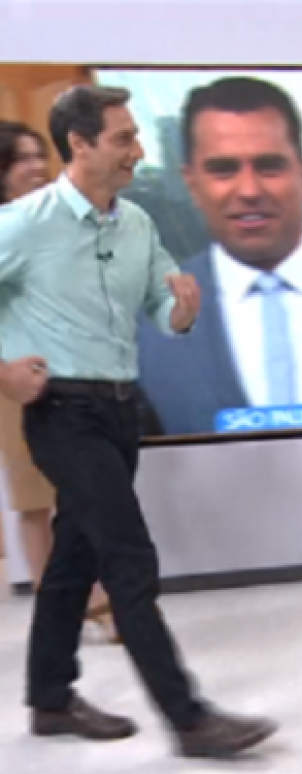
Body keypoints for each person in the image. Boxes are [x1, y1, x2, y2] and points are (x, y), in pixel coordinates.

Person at [0, 84, 277, 756]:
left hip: (121, 411)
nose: (138, 151)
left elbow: (161, 307)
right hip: (63, 413)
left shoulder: (137, 224)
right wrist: (2, 373)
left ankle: (50, 699)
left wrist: (180, 313)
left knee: (74, 558)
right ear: (80, 144)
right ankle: (189, 719)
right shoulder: (25, 223)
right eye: (123, 138)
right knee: (127, 556)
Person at [135, 75, 302, 437]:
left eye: (269, 166)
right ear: (193, 185)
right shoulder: (141, 326)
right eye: (223, 170)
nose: (249, 190)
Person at [0, 121, 117, 643]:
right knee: (35, 495)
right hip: (15, 377)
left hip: (73, 370)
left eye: (38, 155)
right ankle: (67, 608)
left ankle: (87, 595)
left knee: (80, 488)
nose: (36, 166)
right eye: (21, 158)